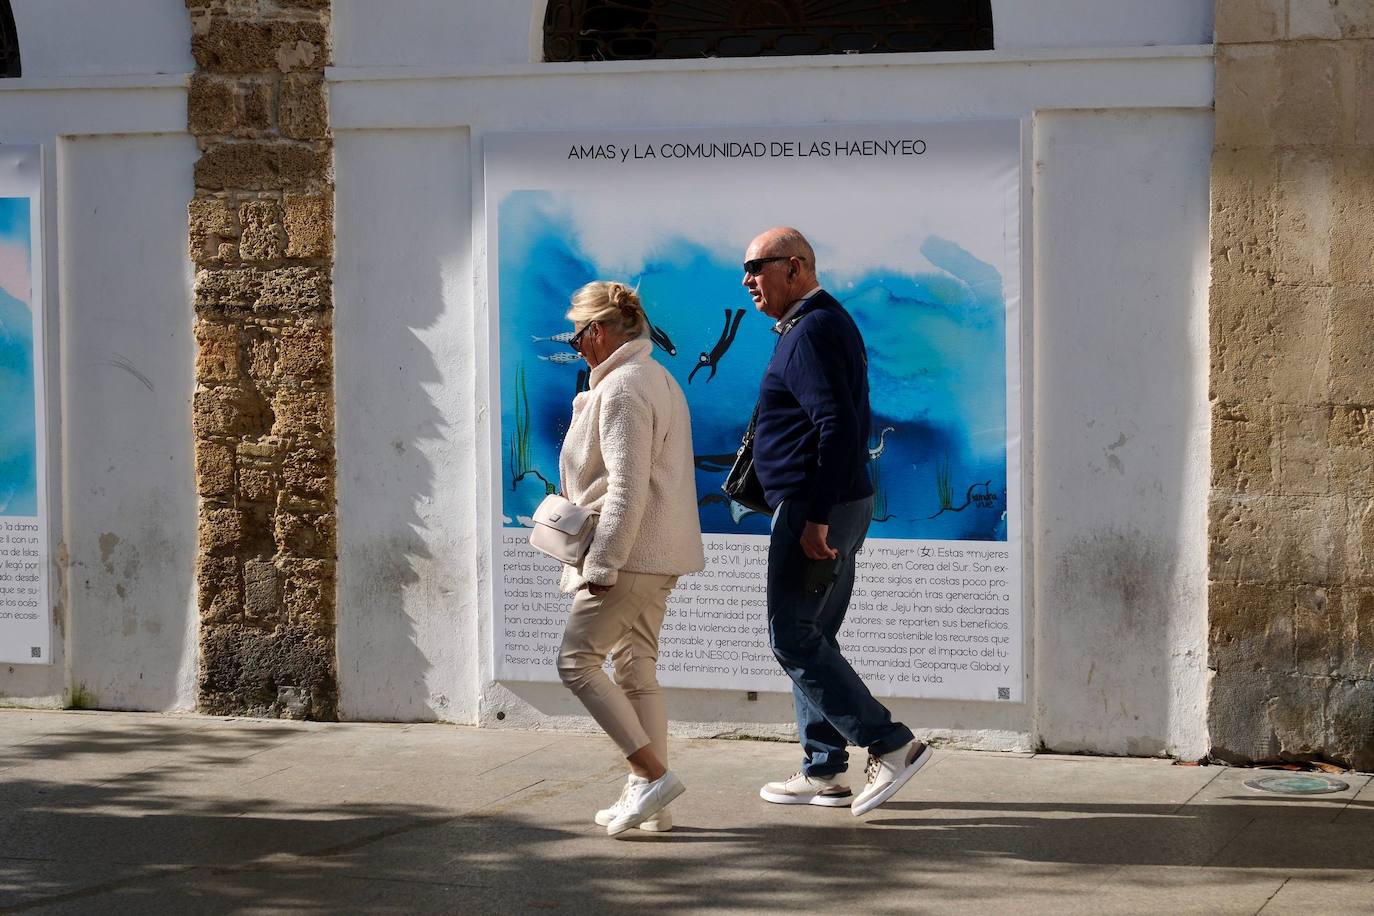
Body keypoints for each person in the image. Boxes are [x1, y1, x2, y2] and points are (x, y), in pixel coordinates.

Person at [741, 227, 931, 816]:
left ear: (794, 268)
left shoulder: (813, 329)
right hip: (833, 501)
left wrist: (815, 517)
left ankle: (890, 744)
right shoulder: (818, 324)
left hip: (815, 506)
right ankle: (823, 768)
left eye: (756, 267)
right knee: (814, 634)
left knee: (794, 637)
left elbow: (836, 426)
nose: (748, 280)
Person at [554, 280, 705, 836]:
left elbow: (626, 489)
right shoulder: (657, 377)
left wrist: (602, 565)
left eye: (577, 339)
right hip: (657, 553)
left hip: (631, 554)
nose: (578, 350)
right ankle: (651, 801)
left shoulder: (623, 387)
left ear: (597, 331)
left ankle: (651, 774)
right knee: (636, 671)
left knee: (576, 662)